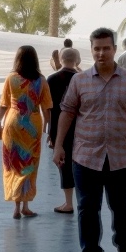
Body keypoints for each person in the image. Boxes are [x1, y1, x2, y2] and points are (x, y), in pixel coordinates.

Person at [53, 28, 126, 252]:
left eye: (106, 48)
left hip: (122, 156)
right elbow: (67, 113)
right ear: (90, 51)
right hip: (85, 156)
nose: (101, 53)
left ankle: (123, 244)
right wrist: (59, 145)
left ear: (115, 49)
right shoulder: (78, 81)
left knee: (120, 205)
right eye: (96, 48)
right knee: (87, 208)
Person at [0, 45, 50, 220]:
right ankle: (25, 206)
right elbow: (46, 107)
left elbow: (4, 104)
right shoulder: (41, 80)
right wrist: (48, 125)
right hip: (33, 124)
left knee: (13, 163)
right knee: (29, 163)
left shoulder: (11, 79)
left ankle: (16, 207)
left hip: (13, 123)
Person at [47, 46, 80, 215]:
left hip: (58, 128)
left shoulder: (52, 79)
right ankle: (82, 200)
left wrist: (49, 130)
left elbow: (48, 108)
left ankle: (68, 202)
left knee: (63, 163)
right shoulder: (82, 78)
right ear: (78, 60)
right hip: (80, 128)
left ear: (59, 59)